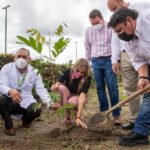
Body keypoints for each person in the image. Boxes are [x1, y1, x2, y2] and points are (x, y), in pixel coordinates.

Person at [108, 8, 150, 146]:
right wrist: (143, 78)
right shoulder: (127, 39)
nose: (119, 36)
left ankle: (141, 131)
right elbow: (139, 61)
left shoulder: (148, 21)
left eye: (120, 30)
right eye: (116, 33)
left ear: (130, 20)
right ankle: (141, 132)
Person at [0, 48, 52, 136]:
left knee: (37, 108)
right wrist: (10, 91)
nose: (21, 59)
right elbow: (1, 84)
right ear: (14, 58)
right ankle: (9, 127)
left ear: (29, 59)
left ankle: (26, 121)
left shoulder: (34, 72)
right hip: (10, 100)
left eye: (24, 57)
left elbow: (40, 89)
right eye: (19, 56)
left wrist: (50, 102)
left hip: (26, 100)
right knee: (1, 100)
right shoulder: (7, 68)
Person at [84, 9, 121, 125]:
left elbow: (116, 44)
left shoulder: (110, 28)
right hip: (95, 61)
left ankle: (116, 115)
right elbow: (87, 46)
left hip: (108, 60)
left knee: (112, 87)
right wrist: (87, 62)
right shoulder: (88, 31)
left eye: (96, 22)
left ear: (101, 18)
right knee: (100, 88)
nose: (94, 25)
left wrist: (116, 60)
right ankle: (104, 114)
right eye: (92, 23)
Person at [51, 58, 91, 129]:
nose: (79, 74)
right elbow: (58, 83)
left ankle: (77, 117)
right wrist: (55, 87)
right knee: (61, 87)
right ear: (74, 67)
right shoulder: (68, 71)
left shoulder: (87, 78)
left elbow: (82, 97)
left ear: (85, 72)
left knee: (71, 102)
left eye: (82, 72)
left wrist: (78, 117)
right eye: (77, 70)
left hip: (78, 97)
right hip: (67, 94)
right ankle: (67, 117)